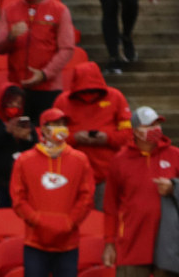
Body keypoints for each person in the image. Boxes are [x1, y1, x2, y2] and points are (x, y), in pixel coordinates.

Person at [103, 107, 179, 277]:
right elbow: (110, 206)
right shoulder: (120, 161)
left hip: (169, 242)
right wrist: (109, 242)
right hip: (133, 241)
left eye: (157, 124)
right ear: (136, 131)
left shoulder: (175, 155)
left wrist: (174, 188)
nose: (155, 128)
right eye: (149, 125)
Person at [11, 108, 94, 277]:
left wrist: (70, 222)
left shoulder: (80, 160)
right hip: (35, 243)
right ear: (44, 129)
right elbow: (18, 198)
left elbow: (86, 197)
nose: (61, 129)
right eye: (56, 124)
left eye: (63, 124)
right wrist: (38, 220)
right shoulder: (25, 161)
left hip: (68, 244)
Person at [54, 62, 132, 207]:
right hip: (71, 174)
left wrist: (107, 138)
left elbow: (128, 135)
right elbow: (51, 137)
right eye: (83, 91)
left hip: (108, 174)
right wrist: (74, 138)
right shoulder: (62, 101)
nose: (88, 95)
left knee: (106, 221)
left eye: (92, 91)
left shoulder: (116, 97)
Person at [0, 0, 74, 118]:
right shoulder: (9, 10)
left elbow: (67, 49)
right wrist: (10, 37)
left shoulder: (59, 10)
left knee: (47, 132)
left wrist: (45, 74)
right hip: (17, 88)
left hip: (48, 88)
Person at [0, 85, 37, 209]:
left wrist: (27, 138)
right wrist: (5, 132)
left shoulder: (24, 123)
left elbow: (36, 147)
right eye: (11, 103)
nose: (15, 107)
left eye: (18, 103)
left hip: (23, 184)